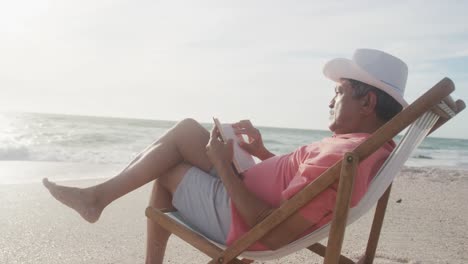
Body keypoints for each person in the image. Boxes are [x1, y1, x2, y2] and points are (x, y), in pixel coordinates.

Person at [43, 48, 408, 264]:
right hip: (247, 193)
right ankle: (98, 197)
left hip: (244, 220)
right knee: (187, 130)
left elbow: (275, 228)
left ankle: (97, 199)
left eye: (340, 91)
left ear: (368, 101)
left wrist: (221, 162)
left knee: (169, 169)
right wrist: (260, 153)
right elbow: (301, 187)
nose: (330, 100)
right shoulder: (370, 148)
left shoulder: (346, 155)